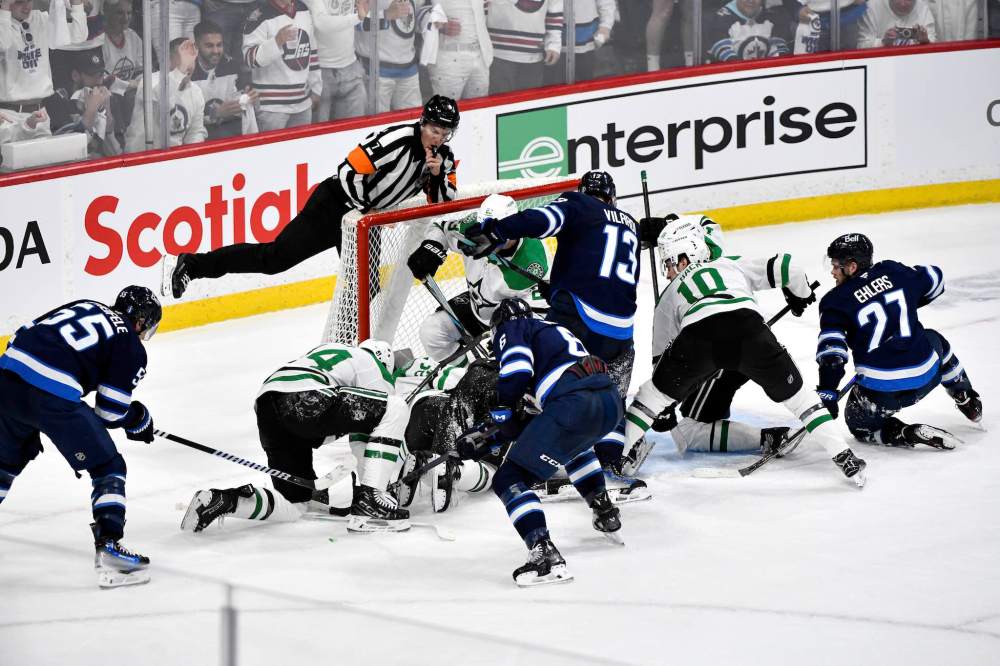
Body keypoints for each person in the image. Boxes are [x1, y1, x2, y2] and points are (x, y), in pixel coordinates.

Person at [621, 219, 871, 487]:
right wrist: (799, 294)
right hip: (750, 334)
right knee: (802, 398)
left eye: (670, 264)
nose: (669, 273)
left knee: (649, 397)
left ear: (686, 257)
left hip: (699, 341)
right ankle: (844, 456)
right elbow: (788, 266)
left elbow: (660, 360)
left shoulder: (669, 294)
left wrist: (664, 405)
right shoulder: (730, 263)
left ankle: (621, 457)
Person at [162, 94, 460, 299]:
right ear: (422, 122)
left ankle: (353, 352)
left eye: (445, 133)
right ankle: (193, 264)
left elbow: (445, 204)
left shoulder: (443, 158)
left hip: (363, 221)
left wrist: (435, 177)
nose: (438, 137)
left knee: (366, 290)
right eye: (434, 130)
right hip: (333, 205)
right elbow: (348, 170)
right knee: (274, 259)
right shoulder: (395, 139)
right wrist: (362, 210)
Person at [461, 171, 648, 496]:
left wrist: (499, 228)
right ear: (613, 198)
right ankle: (611, 466)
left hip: (581, 321)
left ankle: (538, 456)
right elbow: (612, 278)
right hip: (623, 331)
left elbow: (541, 220)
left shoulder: (579, 206)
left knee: (549, 384)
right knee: (609, 393)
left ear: (583, 192)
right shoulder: (630, 222)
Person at [454, 297, 623, 586]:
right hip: (609, 403)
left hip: (574, 403)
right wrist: (494, 434)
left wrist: (499, 414)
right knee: (571, 446)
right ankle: (604, 510)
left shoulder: (514, 327)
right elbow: (532, 423)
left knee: (508, 479)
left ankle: (543, 552)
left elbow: (517, 372)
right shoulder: (553, 332)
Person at [0, 286, 161, 588]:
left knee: (2, 467)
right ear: (141, 321)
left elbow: (26, 332)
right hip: (52, 395)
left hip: (7, 378)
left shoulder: (85, 304)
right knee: (109, 467)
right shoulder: (129, 342)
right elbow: (111, 412)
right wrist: (137, 419)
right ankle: (110, 548)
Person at [181, 339, 415, 533]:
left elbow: (321, 428)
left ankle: (225, 500)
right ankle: (371, 502)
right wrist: (378, 483)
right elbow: (371, 431)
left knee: (296, 503)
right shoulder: (370, 363)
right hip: (305, 398)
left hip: (268, 405)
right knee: (395, 407)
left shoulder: (332, 352)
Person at [815, 233, 981, 449]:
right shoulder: (892, 271)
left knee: (860, 426)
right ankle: (966, 396)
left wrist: (828, 390)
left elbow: (832, 353)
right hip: (927, 373)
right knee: (934, 339)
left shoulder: (834, 302)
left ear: (852, 267)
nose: (833, 271)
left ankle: (907, 433)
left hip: (882, 392)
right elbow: (935, 278)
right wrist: (905, 300)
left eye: (836, 265)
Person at [406, 193, 548, 362]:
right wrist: (433, 246)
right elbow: (440, 228)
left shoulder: (534, 264)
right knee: (432, 332)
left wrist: (510, 334)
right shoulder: (472, 229)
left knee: (510, 361)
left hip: (510, 316)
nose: (486, 237)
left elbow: (541, 316)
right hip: (477, 306)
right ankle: (462, 376)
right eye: (484, 229)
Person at [242, 0, 321, 130]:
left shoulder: (303, 9)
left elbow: (311, 50)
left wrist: (316, 87)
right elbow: (249, 58)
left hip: (303, 102)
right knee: (271, 150)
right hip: (271, 108)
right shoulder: (259, 15)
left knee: (302, 150)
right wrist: (276, 42)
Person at [1, 0, 87, 115]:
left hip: (40, 111)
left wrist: (77, 4)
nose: (27, 6)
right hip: (7, 113)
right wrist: (4, 8)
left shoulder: (41, 18)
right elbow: (3, 45)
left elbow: (78, 36)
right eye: (20, 1)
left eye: (29, 0)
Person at [125, 37, 207, 151]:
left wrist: (192, 155)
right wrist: (181, 69)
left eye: (191, 58)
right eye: (183, 57)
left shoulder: (196, 92)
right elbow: (162, 97)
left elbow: (196, 131)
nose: (188, 64)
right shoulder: (149, 81)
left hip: (174, 160)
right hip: (141, 157)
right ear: (167, 60)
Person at [46, 50, 123, 157]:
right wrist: (91, 111)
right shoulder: (59, 101)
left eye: (100, 75)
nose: (99, 82)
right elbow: (70, 152)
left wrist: (108, 114)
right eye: (92, 75)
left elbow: (117, 156)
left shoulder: (109, 98)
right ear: (75, 76)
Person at [191, 20, 257, 140]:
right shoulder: (187, 71)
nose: (216, 51)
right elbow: (183, 121)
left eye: (219, 45)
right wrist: (214, 115)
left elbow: (242, 108)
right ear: (196, 46)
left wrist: (248, 98)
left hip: (227, 130)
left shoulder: (233, 67)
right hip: (198, 135)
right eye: (209, 46)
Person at [306, 0, 368, 121]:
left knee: (354, 130)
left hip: (351, 67)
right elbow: (322, 23)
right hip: (321, 71)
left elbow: (368, 12)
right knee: (319, 134)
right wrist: (357, 17)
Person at [355, 0, 422, 113]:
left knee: (412, 124)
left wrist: (433, 20)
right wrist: (385, 15)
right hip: (376, 73)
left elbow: (420, 12)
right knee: (376, 127)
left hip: (409, 70)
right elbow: (352, 21)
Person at [418, 0, 492, 101]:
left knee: (479, 111)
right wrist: (441, 26)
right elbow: (416, 8)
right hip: (448, 58)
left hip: (480, 56)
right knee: (445, 113)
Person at [486, 0, 562, 94]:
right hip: (497, 56)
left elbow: (554, 10)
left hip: (533, 57)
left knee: (528, 105)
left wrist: (553, 44)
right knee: (499, 105)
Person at [543, 0, 615, 85]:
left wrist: (605, 26)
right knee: (553, 85)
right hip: (552, 43)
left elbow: (606, 2)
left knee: (584, 84)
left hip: (585, 39)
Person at [703, 0, 793, 63]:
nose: (750, 0)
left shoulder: (772, 17)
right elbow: (725, 55)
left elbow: (780, 53)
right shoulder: (719, 19)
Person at [857, 0, 936, 48]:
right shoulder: (872, 8)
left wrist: (925, 42)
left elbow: (935, 46)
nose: (903, 4)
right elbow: (861, 46)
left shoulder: (923, 9)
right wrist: (883, 43)